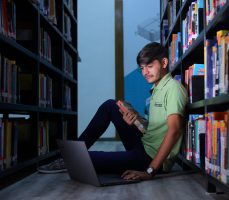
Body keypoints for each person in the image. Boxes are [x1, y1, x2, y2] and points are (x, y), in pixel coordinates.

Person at [38, 42, 188, 180]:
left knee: (83, 160)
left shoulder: (173, 88)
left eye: (149, 66)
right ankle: (71, 154)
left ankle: (72, 157)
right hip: (143, 145)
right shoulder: (157, 88)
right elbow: (157, 129)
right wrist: (136, 121)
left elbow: (174, 131)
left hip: (150, 159)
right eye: (142, 68)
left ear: (164, 63)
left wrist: (149, 171)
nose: (145, 72)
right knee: (111, 105)